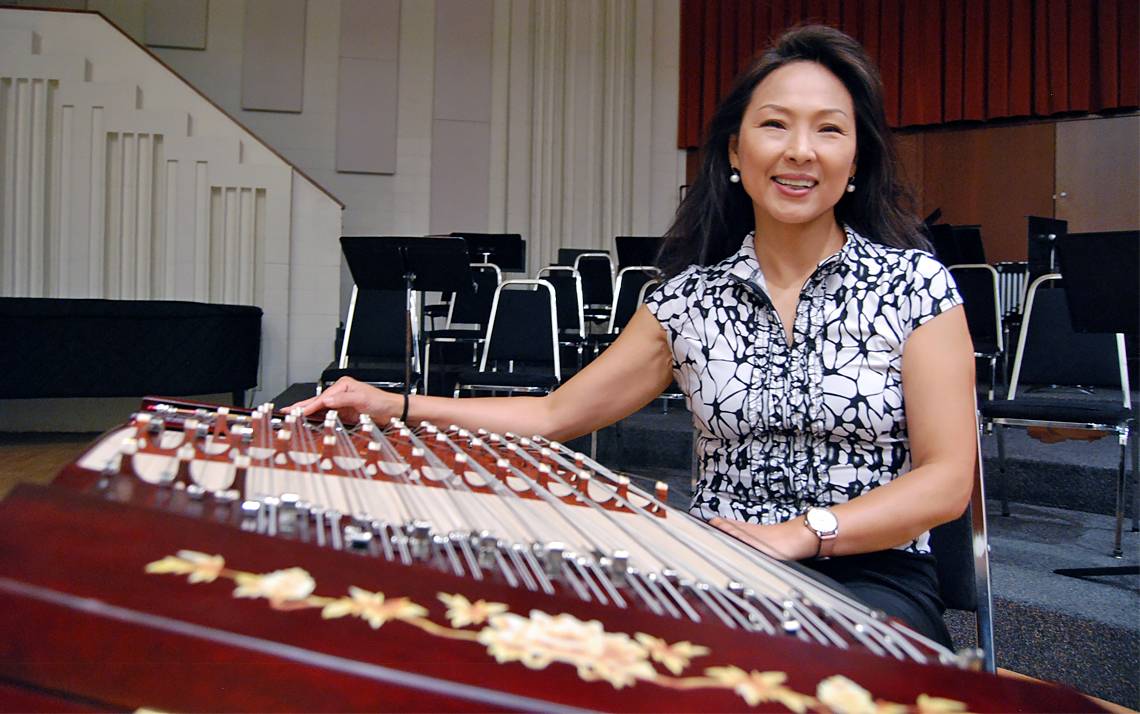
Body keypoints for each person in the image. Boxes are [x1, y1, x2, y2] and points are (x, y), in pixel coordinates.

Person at [292, 25, 975, 647]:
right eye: (775, 125)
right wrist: (398, 406)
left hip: (874, 576)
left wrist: (802, 535)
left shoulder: (914, 287)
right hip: (720, 568)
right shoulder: (686, 301)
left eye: (829, 130)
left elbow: (947, 479)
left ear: (856, 159)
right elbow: (555, 414)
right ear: (736, 149)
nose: (800, 151)